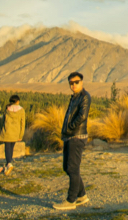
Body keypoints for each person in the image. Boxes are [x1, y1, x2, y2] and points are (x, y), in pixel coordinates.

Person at [53, 72, 91, 211]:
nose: (73, 85)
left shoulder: (84, 97)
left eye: (76, 82)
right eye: (71, 83)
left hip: (77, 136)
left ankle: (71, 200)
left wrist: (70, 127)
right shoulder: (74, 97)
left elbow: (82, 116)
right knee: (67, 167)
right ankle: (82, 195)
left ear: (82, 82)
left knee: (73, 168)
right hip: (69, 135)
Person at [0, 95, 25, 176]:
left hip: (7, 131)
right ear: (17, 101)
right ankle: (9, 163)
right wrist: (21, 134)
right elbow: (23, 123)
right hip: (16, 132)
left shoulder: (7, 109)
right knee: (11, 148)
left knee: (7, 148)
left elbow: (3, 120)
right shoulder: (21, 110)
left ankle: (9, 163)